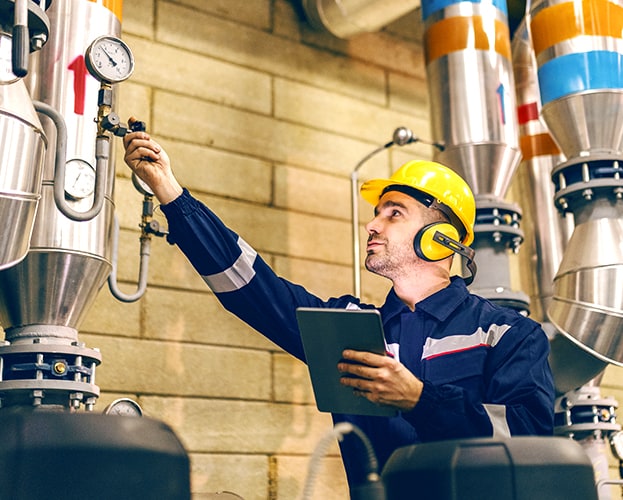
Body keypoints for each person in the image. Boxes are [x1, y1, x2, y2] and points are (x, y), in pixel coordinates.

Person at [122, 120, 555, 490]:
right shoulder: (348, 329)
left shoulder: (507, 334)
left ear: (440, 240)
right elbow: (251, 285)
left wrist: (421, 400)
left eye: (394, 213)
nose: (372, 223)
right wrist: (170, 192)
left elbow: (527, 443)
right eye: (378, 212)